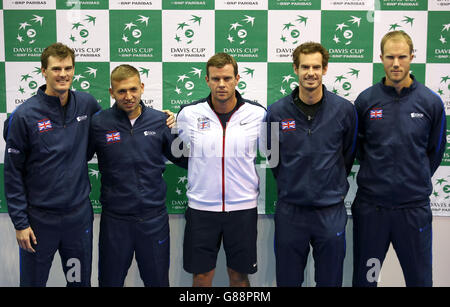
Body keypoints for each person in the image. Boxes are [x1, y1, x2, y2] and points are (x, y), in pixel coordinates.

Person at [352, 31, 447, 287]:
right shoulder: (366, 101)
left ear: (412, 57)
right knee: (367, 280)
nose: (396, 63)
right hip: (373, 211)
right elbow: (358, 149)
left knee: (419, 281)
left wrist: (412, 178)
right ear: (380, 58)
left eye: (402, 57)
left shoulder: (430, 102)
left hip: (413, 211)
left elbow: (435, 151)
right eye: (390, 57)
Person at [3, 43, 101, 286]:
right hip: (38, 223)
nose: (63, 74)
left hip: (77, 220)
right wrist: (20, 223)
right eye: (56, 68)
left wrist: (152, 117)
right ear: (43, 71)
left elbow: (114, 125)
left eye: (68, 68)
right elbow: (12, 172)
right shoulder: (25, 115)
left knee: (77, 282)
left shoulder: (86, 104)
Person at [266, 42, 358, 287]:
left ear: (325, 69)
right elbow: (272, 157)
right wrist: (293, 182)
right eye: (305, 66)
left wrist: (328, 182)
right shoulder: (276, 111)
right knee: (288, 281)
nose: (311, 72)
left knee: (330, 282)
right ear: (295, 69)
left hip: (330, 211)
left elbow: (348, 154)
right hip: (290, 212)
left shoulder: (344, 110)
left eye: (316, 67)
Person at [88, 64, 186, 287]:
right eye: (121, 91)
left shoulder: (161, 121)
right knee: (110, 282)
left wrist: (185, 126)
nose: (128, 96)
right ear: (112, 92)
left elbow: (185, 159)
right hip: (115, 220)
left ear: (142, 87)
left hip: (153, 219)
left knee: (157, 282)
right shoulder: (99, 123)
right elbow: (75, 158)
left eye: (133, 89)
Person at [175, 53, 266, 287]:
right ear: (207, 80)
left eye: (227, 78)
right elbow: (178, 153)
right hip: (202, 208)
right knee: (202, 277)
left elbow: (273, 155)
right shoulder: (188, 114)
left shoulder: (259, 115)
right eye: (216, 79)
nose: (222, 84)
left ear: (237, 79)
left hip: (242, 209)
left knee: (238, 276)